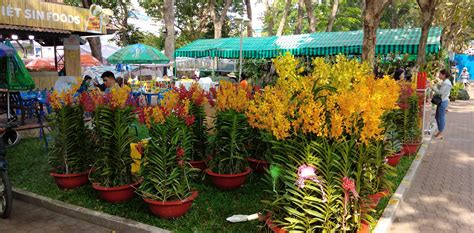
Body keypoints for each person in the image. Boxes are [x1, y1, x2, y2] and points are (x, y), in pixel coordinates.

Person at [430, 69, 452, 139]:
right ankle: (440, 131)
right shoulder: (445, 82)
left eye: (440, 74)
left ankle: (440, 132)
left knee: (441, 117)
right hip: (442, 101)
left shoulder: (446, 83)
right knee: (437, 116)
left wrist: (432, 87)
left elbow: (440, 93)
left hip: (443, 101)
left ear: (444, 75)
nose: (439, 75)